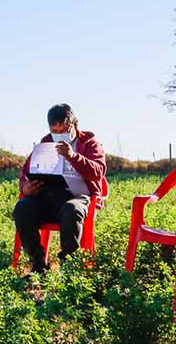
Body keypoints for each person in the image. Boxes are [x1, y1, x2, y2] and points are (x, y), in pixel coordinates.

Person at [14, 104, 107, 272]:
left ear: (74, 125)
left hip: (79, 198)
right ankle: (38, 264)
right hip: (49, 197)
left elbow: (98, 172)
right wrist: (25, 187)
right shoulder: (46, 143)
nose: (58, 133)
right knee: (23, 208)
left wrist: (73, 156)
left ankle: (68, 267)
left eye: (63, 128)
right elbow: (26, 172)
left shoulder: (89, 143)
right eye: (54, 130)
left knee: (71, 210)